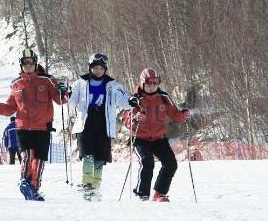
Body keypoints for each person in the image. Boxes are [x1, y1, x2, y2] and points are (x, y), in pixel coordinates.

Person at [0, 48, 69, 201]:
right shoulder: (16, 84)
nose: (28, 65)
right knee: (28, 155)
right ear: (21, 65)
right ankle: (25, 181)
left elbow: (60, 99)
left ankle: (34, 188)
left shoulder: (47, 80)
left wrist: (64, 92)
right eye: (25, 63)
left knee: (39, 160)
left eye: (31, 62)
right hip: (23, 127)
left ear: (35, 63)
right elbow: (10, 108)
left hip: (43, 127)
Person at [67, 53, 131, 201]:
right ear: (90, 68)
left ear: (105, 69)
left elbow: (123, 100)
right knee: (87, 154)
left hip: (104, 122)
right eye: (95, 68)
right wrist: (65, 94)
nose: (98, 71)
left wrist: (132, 101)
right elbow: (71, 102)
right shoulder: (80, 83)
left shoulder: (112, 85)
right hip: (86, 122)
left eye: (101, 68)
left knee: (100, 158)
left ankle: (95, 186)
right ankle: (86, 184)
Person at [124, 68, 191, 202]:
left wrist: (183, 116)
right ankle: (142, 193)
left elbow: (175, 115)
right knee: (147, 162)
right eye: (149, 84)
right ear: (143, 83)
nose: (152, 86)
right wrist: (135, 118)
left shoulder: (164, 98)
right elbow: (126, 119)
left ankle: (159, 193)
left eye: (155, 83)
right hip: (140, 139)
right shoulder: (135, 99)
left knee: (171, 164)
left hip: (159, 138)